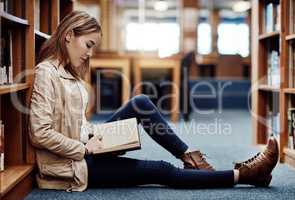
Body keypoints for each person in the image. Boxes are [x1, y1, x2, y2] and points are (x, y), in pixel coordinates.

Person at [29, 11, 279, 192]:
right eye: (89, 45)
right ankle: (244, 175)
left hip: (87, 147)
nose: (90, 54)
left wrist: (102, 135)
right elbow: (40, 133)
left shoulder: (69, 73)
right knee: (161, 169)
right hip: (73, 164)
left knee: (140, 103)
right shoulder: (46, 72)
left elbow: (75, 124)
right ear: (69, 36)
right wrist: (85, 148)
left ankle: (191, 159)